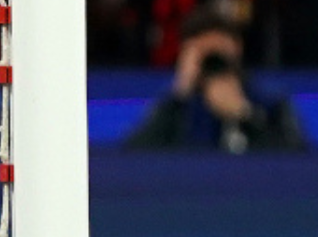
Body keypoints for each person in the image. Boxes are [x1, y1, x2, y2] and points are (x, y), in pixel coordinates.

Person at [125, 9, 304, 153]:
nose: (213, 62)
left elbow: (295, 154)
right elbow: (136, 154)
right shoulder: (176, 106)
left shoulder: (269, 101)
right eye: (204, 54)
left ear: (237, 48)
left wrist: (246, 116)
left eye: (218, 52)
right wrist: (180, 92)